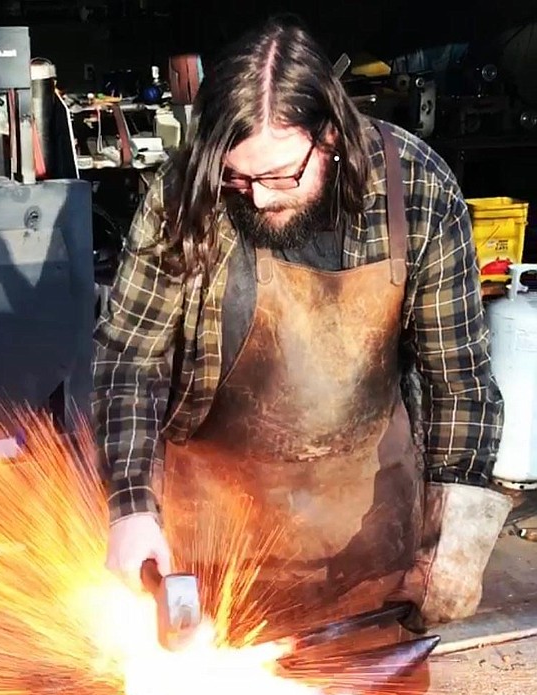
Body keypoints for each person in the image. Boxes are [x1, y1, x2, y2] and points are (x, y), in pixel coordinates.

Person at [91, 16, 513, 637]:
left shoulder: (417, 188)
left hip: (368, 543)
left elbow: (458, 378)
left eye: (280, 175)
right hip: (214, 543)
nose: (257, 199)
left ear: (332, 136)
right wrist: (130, 508)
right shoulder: (188, 195)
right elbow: (130, 357)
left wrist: (454, 532)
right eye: (239, 178)